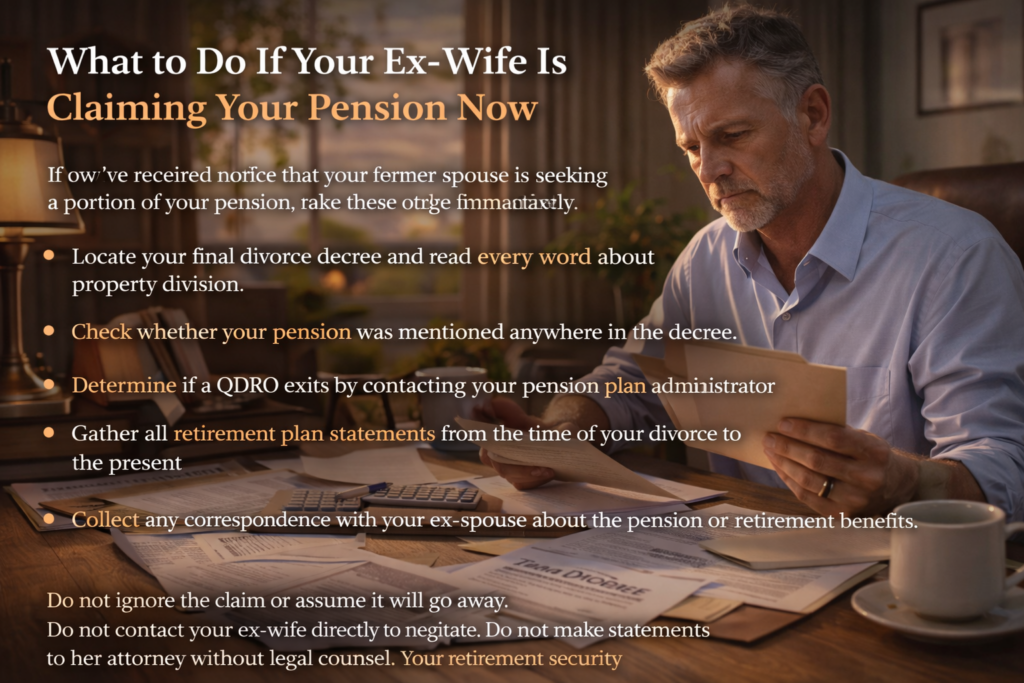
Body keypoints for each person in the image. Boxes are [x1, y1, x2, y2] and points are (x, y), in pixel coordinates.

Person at [479, 5, 1024, 521]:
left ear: (812, 115)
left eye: (732, 136)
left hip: (895, 571)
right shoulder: (705, 258)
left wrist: (906, 482)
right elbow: (629, 382)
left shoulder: (954, 257)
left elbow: (1003, 463)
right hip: (728, 557)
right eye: (690, 147)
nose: (709, 170)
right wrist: (556, 431)